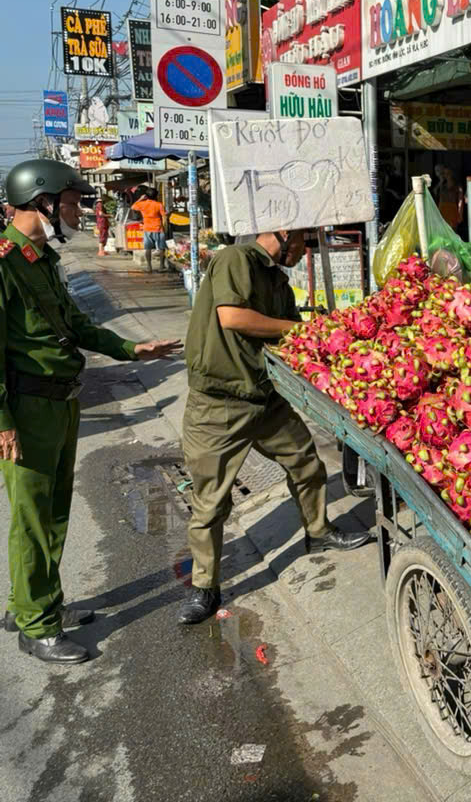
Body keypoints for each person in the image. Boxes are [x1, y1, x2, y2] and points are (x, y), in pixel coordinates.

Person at [1, 159, 181, 664]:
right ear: (43, 203)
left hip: (60, 399)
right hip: (26, 405)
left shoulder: (42, 262)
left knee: (52, 511)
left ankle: (34, 602)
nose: (81, 209)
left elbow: (76, 326)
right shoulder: (3, 264)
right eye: (73, 201)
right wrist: (3, 422)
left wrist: (131, 350)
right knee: (34, 518)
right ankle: (36, 626)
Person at [177, 229, 373, 625]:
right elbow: (233, 317)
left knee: (307, 464)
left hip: (265, 400)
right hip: (219, 406)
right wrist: (298, 330)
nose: (304, 254)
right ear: (283, 234)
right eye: (302, 244)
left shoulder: (279, 281)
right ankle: (205, 587)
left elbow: (293, 338)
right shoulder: (236, 259)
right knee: (211, 503)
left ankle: (317, 531)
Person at [130, 187, 167, 272]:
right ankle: (161, 266)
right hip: (158, 228)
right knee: (162, 248)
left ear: (146, 196)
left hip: (147, 228)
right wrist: (164, 227)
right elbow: (164, 216)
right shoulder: (159, 204)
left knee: (148, 249)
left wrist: (140, 198)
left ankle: (149, 267)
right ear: (156, 196)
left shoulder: (143, 204)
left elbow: (132, 207)